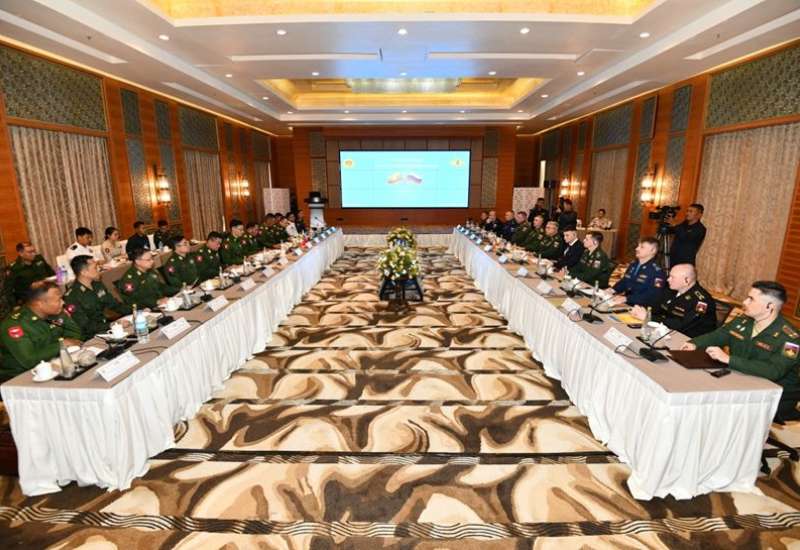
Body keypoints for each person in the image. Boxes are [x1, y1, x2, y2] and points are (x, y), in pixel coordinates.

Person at [684, 281, 800, 418]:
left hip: (774, 395)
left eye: (751, 299)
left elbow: (773, 371)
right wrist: (694, 343)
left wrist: (728, 359)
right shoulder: (743, 321)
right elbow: (719, 335)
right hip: (741, 380)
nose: (744, 302)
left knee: (717, 410)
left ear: (770, 306)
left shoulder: (791, 339)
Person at [0, 282, 82, 381]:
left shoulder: (54, 312)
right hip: (22, 377)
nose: (63, 303)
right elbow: (29, 360)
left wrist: (66, 345)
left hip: (57, 366)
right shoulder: (14, 325)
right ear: (40, 304)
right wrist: (62, 345)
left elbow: (75, 333)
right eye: (58, 300)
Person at [631, 263, 716, 337]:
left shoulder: (701, 302)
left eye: (672, 277)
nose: (668, 279)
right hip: (666, 332)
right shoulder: (672, 290)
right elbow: (656, 306)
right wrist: (642, 310)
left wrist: (649, 318)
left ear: (687, 280)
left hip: (688, 340)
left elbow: (682, 325)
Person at [63, 255, 130, 340]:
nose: (99, 269)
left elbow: (114, 304)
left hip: (106, 329)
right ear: (84, 272)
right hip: (90, 337)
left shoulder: (97, 284)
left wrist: (135, 311)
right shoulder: (72, 297)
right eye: (95, 267)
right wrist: (111, 325)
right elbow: (86, 326)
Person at [611, 237, 665, 307]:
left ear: (653, 251)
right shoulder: (633, 264)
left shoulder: (657, 272)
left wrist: (627, 298)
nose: (636, 249)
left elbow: (653, 295)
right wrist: (612, 290)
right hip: (627, 302)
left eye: (642, 247)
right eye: (638, 246)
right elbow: (625, 281)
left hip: (642, 307)